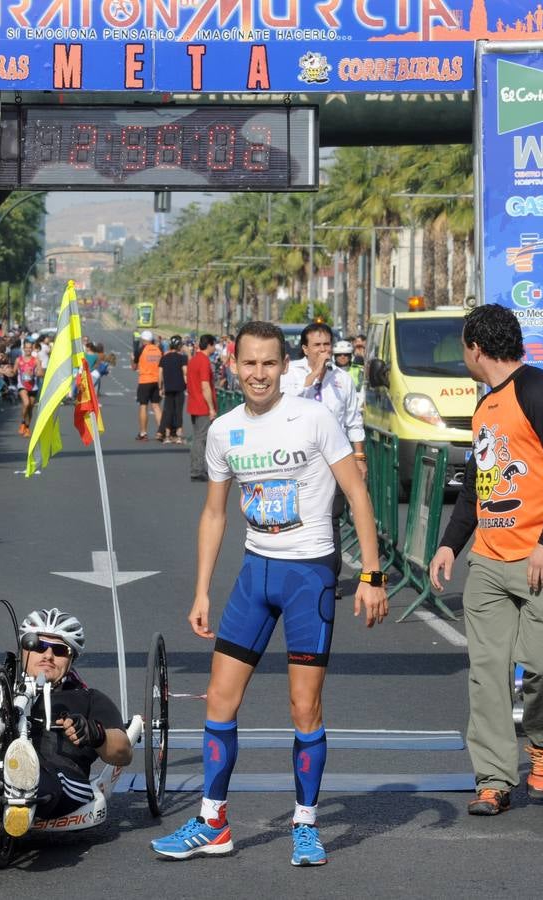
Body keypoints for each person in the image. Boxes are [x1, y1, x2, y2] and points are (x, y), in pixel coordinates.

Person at [150, 321, 389, 867]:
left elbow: (356, 493)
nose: (258, 374)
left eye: (269, 364)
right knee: (219, 699)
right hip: (255, 575)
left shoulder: (314, 417)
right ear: (233, 366)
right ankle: (213, 821)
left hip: (308, 577)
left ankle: (305, 824)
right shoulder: (223, 430)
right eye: (249, 364)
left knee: (304, 707)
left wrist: (372, 575)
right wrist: (201, 591)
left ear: (286, 366)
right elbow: (213, 514)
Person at [428, 303, 543, 817]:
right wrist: (451, 544)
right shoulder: (484, 407)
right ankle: (494, 778)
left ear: (476, 348)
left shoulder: (536, 389)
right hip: (490, 562)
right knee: (487, 671)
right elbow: (477, 486)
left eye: (463, 349)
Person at [0, 608, 132, 837]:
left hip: (61, 780)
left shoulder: (88, 698)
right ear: (23, 650)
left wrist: (94, 733)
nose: (48, 655)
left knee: (47, 779)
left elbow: (123, 752)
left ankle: (21, 792)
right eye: (38, 646)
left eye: (60, 650)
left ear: (71, 658)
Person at [281, 323, 366, 592]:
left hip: (333, 461)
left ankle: (330, 577)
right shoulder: (289, 373)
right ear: (305, 349)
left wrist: (360, 456)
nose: (323, 350)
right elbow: (283, 406)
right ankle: (296, 571)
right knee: (297, 517)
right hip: (296, 459)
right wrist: (313, 377)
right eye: (317, 345)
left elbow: (353, 419)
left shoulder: (343, 379)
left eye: (327, 345)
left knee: (331, 519)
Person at [186, 334, 218, 482]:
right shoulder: (204, 361)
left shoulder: (193, 360)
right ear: (209, 345)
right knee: (201, 438)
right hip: (202, 405)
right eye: (214, 345)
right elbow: (205, 385)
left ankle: (197, 468)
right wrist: (211, 408)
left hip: (194, 402)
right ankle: (197, 469)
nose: (215, 347)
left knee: (198, 437)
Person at [157, 334, 188, 444]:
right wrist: (187, 384)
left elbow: (159, 374)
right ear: (179, 346)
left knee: (168, 411)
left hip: (168, 387)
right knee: (178, 412)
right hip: (179, 387)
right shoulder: (182, 358)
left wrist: (160, 387)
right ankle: (179, 436)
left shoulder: (164, 358)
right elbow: (185, 372)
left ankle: (167, 436)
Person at [134, 329, 162, 440]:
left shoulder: (141, 350)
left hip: (145, 380)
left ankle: (143, 433)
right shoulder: (158, 350)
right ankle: (161, 431)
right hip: (156, 380)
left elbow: (134, 367)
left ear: (143, 340)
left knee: (143, 405)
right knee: (156, 406)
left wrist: (132, 360)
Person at [15, 338, 40, 437]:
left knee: (30, 408)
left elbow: (40, 372)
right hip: (22, 385)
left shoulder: (36, 360)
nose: (28, 350)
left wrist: (38, 372)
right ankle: (22, 423)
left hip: (33, 386)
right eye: (26, 348)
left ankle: (27, 428)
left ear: (32, 349)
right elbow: (13, 371)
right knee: (26, 403)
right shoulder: (19, 360)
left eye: (30, 348)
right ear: (23, 348)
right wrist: (6, 371)